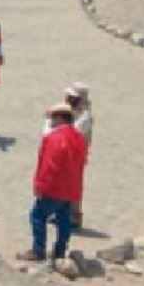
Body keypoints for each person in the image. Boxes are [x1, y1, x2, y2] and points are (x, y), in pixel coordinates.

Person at [22, 104, 89, 264]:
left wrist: (40, 185)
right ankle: (60, 250)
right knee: (63, 220)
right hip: (71, 187)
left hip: (55, 187)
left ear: (59, 117)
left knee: (37, 216)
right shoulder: (78, 138)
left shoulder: (54, 138)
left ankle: (38, 250)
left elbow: (48, 164)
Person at [47, 83, 94, 227]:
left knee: (73, 184)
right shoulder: (70, 112)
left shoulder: (85, 116)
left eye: (71, 96)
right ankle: (60, 212)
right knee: (61, 182)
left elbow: (73, 133)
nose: (67, 98)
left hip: (75, 155)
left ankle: (74, 216)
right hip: (64, 153)